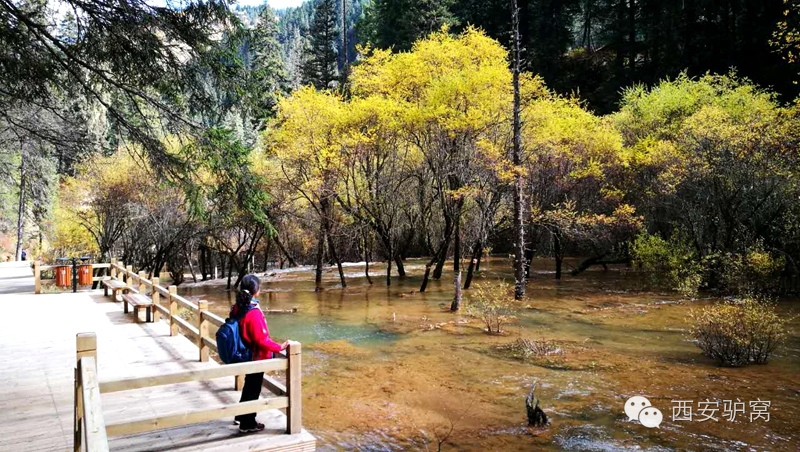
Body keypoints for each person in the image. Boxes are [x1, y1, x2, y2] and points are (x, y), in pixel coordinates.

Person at [231, 274, 290, 433]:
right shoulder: (253, 311)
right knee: (253, 388)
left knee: (249, 386)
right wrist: (279, 347)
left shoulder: (238, 306)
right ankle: (247, 423)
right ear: (255, 290)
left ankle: (241, 415)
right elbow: (261, 339)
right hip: (254, 356)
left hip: (242, 353)